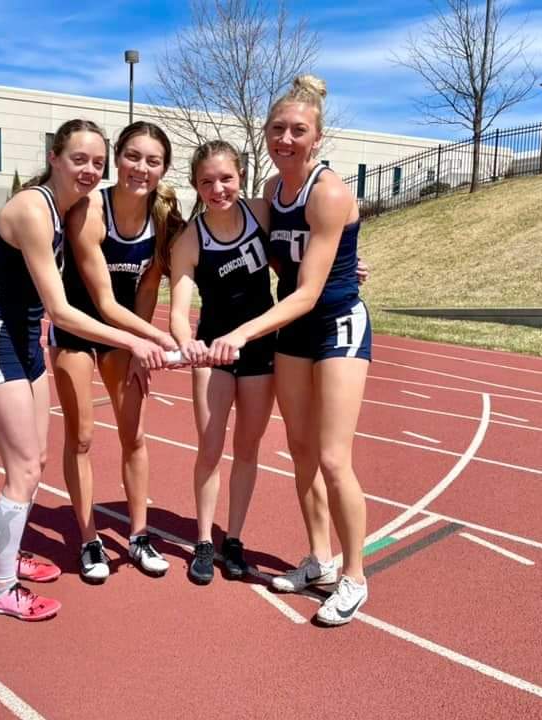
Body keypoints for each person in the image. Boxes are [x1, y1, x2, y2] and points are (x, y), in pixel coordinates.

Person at [0, 119, 166, 621]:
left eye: (97, 162)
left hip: (24, 345)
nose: (90, 170)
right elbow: (62, 311)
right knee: (24, 469)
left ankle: (10, 554)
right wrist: (137, 341)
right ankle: (3, 589)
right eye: (79, 159)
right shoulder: (34, 210)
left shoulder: (65, 209)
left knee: (37, 460)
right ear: (54, 157)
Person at [206, 76, 371, 625]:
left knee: (333, 457)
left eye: (298, 130)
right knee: (301, 450)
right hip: (295, 329)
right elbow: (277, 256)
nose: (286, 138)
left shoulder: (328, 192)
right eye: (277, 128)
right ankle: (319, 560)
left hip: (335, 323)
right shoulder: (271, 192)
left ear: (317, 137)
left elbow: (308, 291)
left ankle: (355, 576)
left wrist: (243, 332)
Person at [49, 121, 185, 582]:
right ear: (118, 159)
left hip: (124, 335)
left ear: (164, 168)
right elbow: (104, 303)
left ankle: (139, 536)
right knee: (82, 437)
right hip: (79, 329)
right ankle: (89, 539)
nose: (141, 168)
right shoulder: (90, 210)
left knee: (135, 436)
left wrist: (141, 346)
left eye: (153, 161)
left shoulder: (163, 219)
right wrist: (154, 341)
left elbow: (147, 291)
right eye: (132, 156)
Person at [169, 141, 277, 585]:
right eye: (207, 182)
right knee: (211, 449)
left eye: (226, 178)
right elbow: (178, 312)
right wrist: (187, 344)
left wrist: (348, 266)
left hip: (260, 349)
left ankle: (233, 538)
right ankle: (203, 541)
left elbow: (303, 253)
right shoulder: (189, 240)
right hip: (212, 354)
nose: (218, 189)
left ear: (240, 176)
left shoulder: (261, 213)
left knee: (247, 449)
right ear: (196, 186)